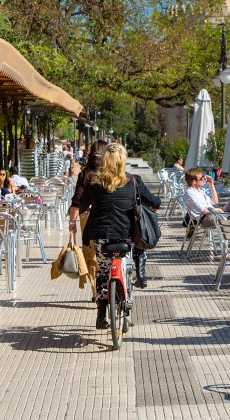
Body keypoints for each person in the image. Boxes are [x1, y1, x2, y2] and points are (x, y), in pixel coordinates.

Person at [77, 143, 160, 329]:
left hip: (101, 235)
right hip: (126, 235)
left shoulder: (93, 182)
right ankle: (134, 280)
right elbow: (155, 201)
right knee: (127, 261)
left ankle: (101, 314)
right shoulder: (134, 181)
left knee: (103, 271)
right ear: (123, 160)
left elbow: (82, 205)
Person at [69, 140, 108, 297]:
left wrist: (72, 222)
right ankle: (108, 287)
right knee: (107, 253)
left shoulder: (85, 174)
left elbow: (77, 201)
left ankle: (95, 291)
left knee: (91, 256)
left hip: (87, 218)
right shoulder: (110, 173)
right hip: (107, 215)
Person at [182, 167, 219, 235]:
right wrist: (218, 210)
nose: (204, 179)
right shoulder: (190, 193)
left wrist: (211, 184)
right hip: (206, 218)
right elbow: (203, 210)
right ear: (194, 182)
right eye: (202, 178)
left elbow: (215, 202)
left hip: (212, 215)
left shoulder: (199, 191)